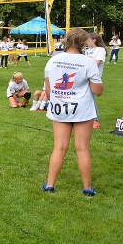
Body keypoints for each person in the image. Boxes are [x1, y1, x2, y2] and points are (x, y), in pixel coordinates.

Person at [42, 28, 103, 197]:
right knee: (82, 148)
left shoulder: (53, 61)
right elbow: (98, 91)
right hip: (82, 109)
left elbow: (48, 89)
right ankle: (87, 188)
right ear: (84, 43)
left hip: (60, 108)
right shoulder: (88, 62)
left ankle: (50, 185)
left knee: (59, 147)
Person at [84, 33, 106, 129]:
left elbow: (97, 63)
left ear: (94, 40)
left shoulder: (100, 50)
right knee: (86, 98)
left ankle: (95, 120)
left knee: (90, 99)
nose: (86, 42)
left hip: (94, 78)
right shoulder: (87, 50)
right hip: (85, 77)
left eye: (88, 40)